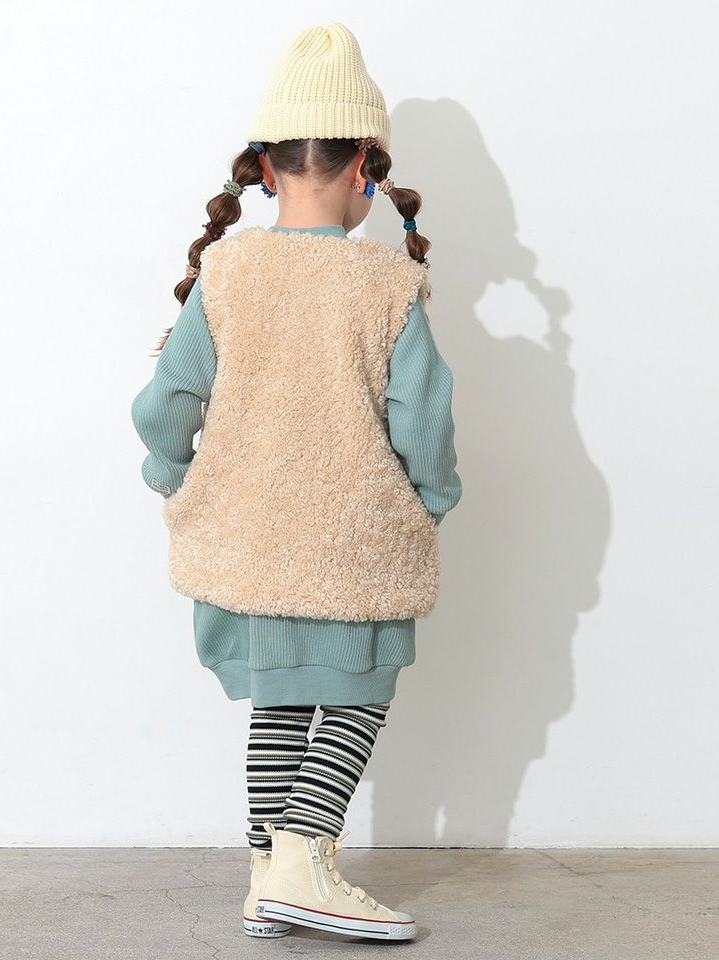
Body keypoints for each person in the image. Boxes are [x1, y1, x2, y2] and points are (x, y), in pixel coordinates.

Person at [130, 20, 462, 942]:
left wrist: (176, 479)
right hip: (353, 547)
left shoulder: (226, 274)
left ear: (267, 173)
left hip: (245, 546)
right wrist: (430, 503)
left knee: (280, 701)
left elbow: (166, 404)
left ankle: (265, 877)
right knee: (358, 696)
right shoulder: (386, 287)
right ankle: (305, 862)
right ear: (365, 169)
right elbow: (425, 424)